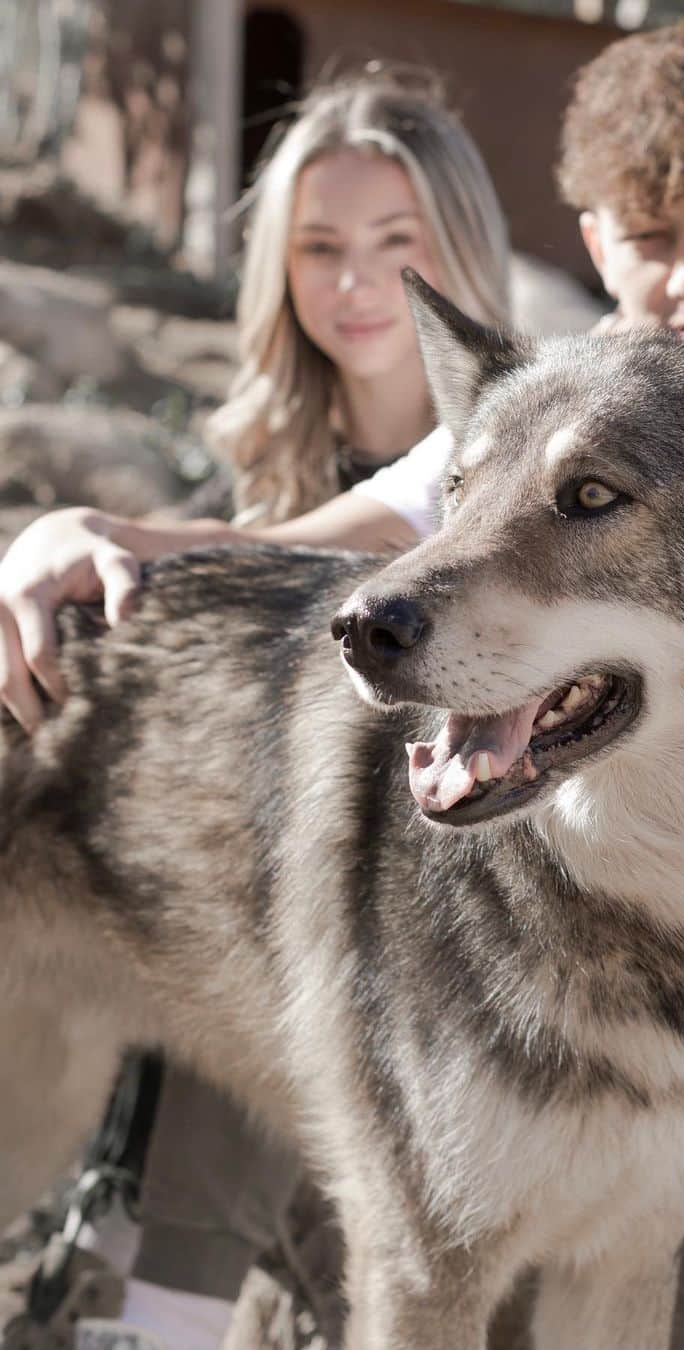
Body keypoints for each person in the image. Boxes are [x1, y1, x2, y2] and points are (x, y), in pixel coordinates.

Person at [0, 14, 684, 1350]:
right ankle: (152, 1307)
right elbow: (348, 560)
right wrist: (74, 536)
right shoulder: (560, 400)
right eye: (653, 237)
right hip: (539, 862)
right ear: (599, 247)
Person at [0, 67, 509, 1350]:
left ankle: (155, 1303)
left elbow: (326, 558)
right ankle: (121, 1260)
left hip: (476, 873)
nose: (356, 284)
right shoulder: (273, 444)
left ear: (466, 251)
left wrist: (104, 528)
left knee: (282, 883)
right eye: (320, 248)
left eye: (400, 246)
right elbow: (265, 545)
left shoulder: (515, 439)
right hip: (272, 886)